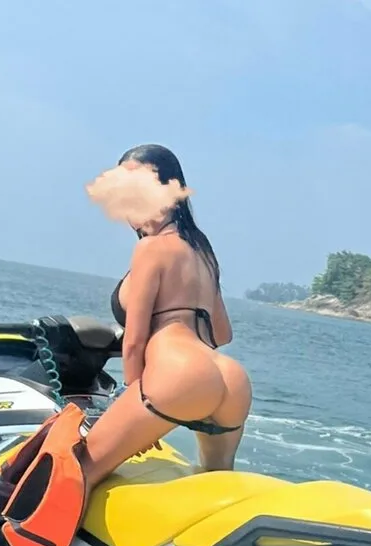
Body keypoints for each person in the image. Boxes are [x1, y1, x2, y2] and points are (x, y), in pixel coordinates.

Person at [81, 143, 252, 490]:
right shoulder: (202, 250)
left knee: (78, 471)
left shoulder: (149, 248)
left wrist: (132, 400)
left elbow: (134, 342)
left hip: (178, 375)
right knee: (216, 486)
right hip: (230, 379)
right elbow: (222, 334)